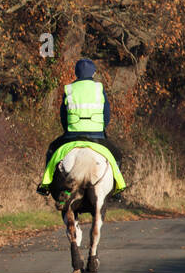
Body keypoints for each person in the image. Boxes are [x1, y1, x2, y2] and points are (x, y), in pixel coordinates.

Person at [37, 58, 123, 195]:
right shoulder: (99, 88)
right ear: (93, 73)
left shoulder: (69, 89)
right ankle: (117, 189)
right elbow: (106, 114)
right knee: (117, 155)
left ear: (76, 73)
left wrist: (68, 130)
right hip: (97, 135)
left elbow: (63, 115)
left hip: (72, 134)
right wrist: (101, 128)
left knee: (51, 150)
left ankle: (45, 185)